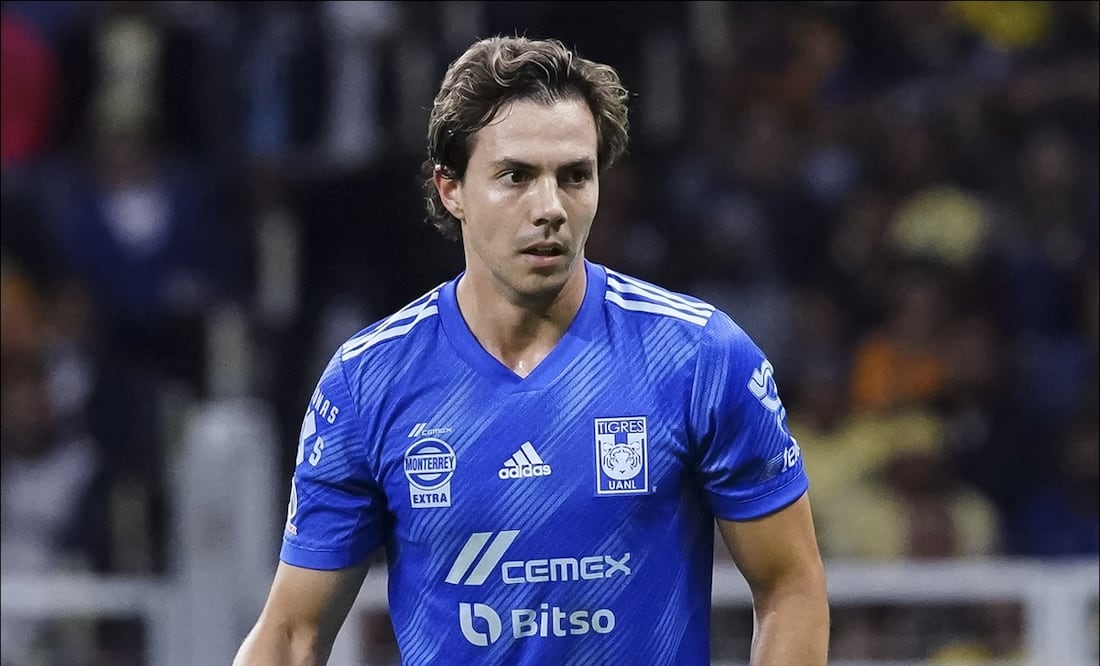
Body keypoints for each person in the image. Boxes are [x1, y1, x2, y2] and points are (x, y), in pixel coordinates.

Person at [234, 35, 829, 665]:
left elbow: (790, 587)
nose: (550, 208)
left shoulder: (699, 359)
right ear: (450, 188)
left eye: (574, 176)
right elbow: (291, 635)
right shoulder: (369, 381)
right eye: (515, 176)